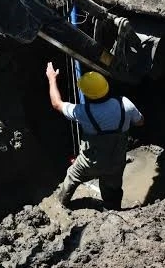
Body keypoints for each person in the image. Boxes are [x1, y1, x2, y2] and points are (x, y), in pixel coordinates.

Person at [45, 61, 145, 210]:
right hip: (116, 161)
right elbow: (140, 122)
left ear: (86, 94)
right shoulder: (125, 103)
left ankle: (62, 204)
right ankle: (113, 210)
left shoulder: (83, 112)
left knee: (73, 175)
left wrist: (52, 79)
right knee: (113, 187)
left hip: (90, 162)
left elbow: (56, 103)